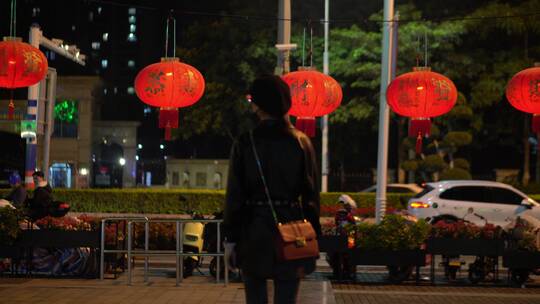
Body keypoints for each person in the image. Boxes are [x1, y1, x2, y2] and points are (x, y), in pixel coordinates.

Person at [223, 75, 321, 304]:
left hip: (253, 230)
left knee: (255, 295)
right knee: (287, 297)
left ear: (257, 104)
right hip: (292, 229)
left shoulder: (246, 142)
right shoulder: (301, 141)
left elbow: (235, 196)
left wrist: (230, 238)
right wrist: (314, 235)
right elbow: (311, 195)